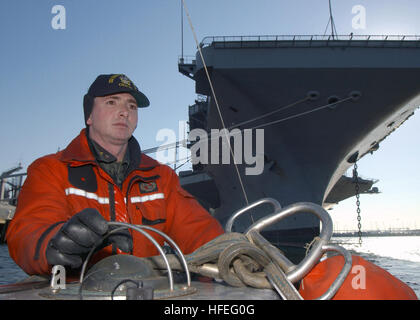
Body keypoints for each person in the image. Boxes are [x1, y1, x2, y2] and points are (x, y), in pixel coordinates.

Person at [6, 74, 224, 276]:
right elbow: (29, 230)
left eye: (132, 106)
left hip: (148, 290)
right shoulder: (50, 169)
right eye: (112, 102)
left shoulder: (161, 177)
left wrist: (229, 253)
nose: (125, 111)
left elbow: (198, 231)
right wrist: (53, 243)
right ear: (89, 115)